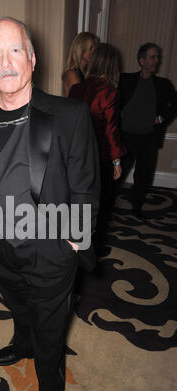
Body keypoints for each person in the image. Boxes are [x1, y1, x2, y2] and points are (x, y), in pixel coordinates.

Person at [0, 17, 100, 391]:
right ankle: (20, 341)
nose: (5, 62)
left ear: (33, 58)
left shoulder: (69, 114)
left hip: (49, 248)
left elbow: (86, 185)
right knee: (17, 302)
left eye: (14, 50)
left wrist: (75, 240)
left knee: (49, 328)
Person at [69, 43, 125, 254]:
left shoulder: (77, 88)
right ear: (111, 64)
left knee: (78, 202)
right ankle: (93, 247)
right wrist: (117, 161)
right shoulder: (110, 92)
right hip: (98, 157)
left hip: (75, 155)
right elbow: (111, 130)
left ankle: (76, 242)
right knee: (99, 204)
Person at [118, 42, 177, 219]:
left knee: (143, 175)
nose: (156, 60)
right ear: (141, 60)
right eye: (152, 56)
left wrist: (161, 118)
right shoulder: (126, 80)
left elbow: (174, 104)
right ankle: (108, 203)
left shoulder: (163, 84)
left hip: (148, 137)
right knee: (118, 173)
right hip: (125, 136)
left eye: (157, 57)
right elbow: (113, 100)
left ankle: (137, 206)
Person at [62, 32, 98, 97]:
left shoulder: (87, 72)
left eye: (94, 49)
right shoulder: (71, 73)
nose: (93, 52)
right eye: (91, 49)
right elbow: (78, 99)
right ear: (81, 49)